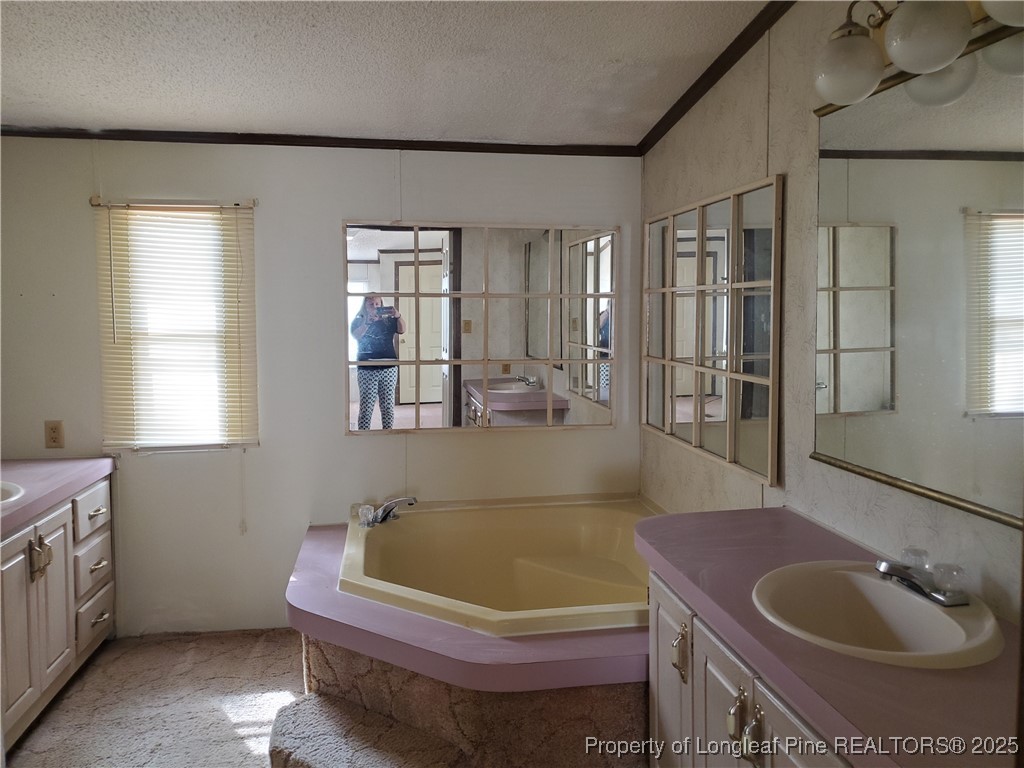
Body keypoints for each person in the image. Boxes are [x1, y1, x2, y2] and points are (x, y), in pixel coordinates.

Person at [351, 294, 406, 429]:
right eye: (371, 304)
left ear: (381, 305)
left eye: (377, 304)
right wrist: (368, 322)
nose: (375, 307)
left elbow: (402, 329)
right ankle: (363, 436)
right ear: (365, 306)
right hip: (367, 368)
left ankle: (388, 434)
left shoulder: (389, 320)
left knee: (388, 406)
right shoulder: (359, 320)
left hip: (389, 368)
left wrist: (397, 315)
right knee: (366, 407)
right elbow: (356, 335)